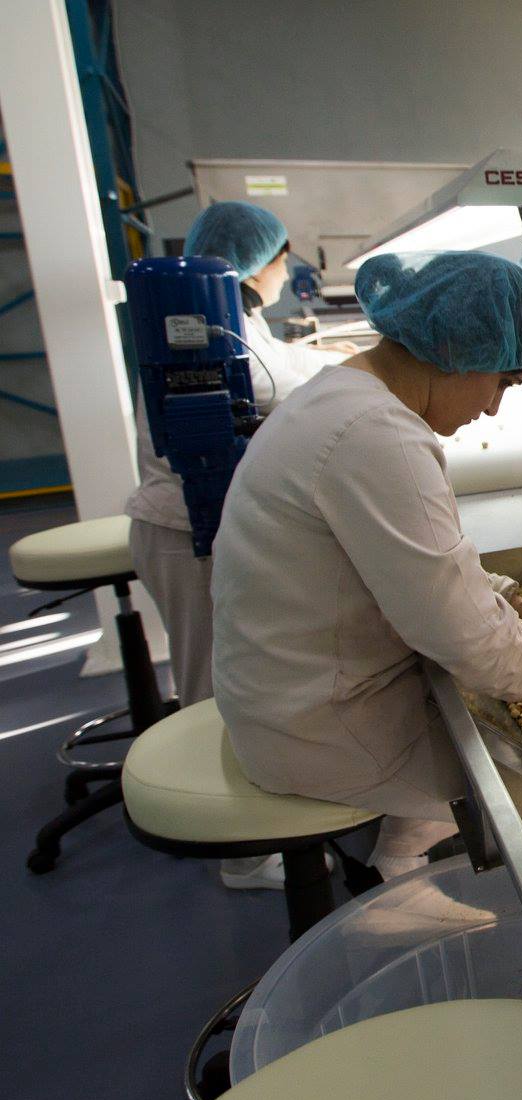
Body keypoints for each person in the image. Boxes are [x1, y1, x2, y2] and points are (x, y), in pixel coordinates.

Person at [211, 251, 522, 880]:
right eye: (503, 383)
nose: (493, 408)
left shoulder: (340, 396)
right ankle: (407, 875)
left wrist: (511, 602)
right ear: (461, 353)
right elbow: (462, 636)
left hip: (280, 695)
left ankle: (400, 850)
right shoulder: (376, 435)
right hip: (316, 729)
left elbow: (418, 562)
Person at [124, 201, 354, 889]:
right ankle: (241, 853)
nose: (288, 270)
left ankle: (247, 813)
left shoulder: (227, 316)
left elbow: (274, 363)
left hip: (207, 524)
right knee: (210, 685)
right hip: (186, 531)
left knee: (231, 673)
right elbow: (266, 386)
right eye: (284, 257)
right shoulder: (202, 326)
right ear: (260, 261)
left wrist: (332, 364)